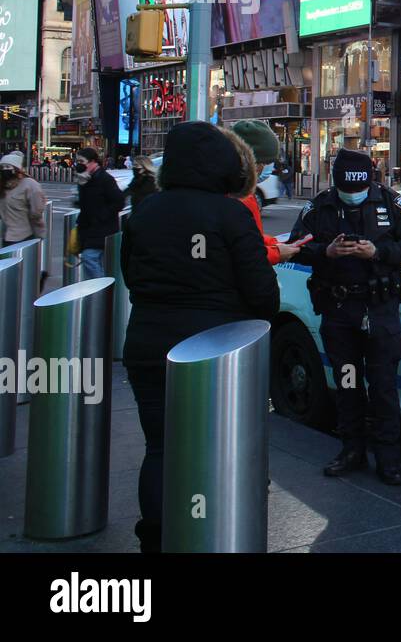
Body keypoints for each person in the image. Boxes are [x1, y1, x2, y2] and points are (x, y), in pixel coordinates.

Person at [122, 122, 281, 553]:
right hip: (216, 353)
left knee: (161, 449)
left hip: (149, 344)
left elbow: (132, 277)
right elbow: (263, 294)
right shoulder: (231, 214)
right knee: (219, 453)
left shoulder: (145, 211)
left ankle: (156, 539)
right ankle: (213, 534)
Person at [289, 149, 401, 484]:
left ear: (369, 180)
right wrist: (326, 252)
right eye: (346, 189)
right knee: (347, 382)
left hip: (379, 309)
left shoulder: (392, 205)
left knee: (382, 386)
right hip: (339, 310)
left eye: (358, 189)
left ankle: (388, 457)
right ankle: (351, 449)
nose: (352, 195)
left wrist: (378, 252)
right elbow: (295, 246)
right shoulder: (320, 207)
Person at [228, 121, 302, 265]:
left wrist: (274, 242)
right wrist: (277, 253)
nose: (269, 167)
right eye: (267, 162)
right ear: (254, 162)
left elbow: (249, 238)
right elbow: (243, 252)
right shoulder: (239, 197)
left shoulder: (239, 191)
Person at [73, 147, 125, 278]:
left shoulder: (105, 179)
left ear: (93, 162)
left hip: (102, 229)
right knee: (91, 261)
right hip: (88, 229)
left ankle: (102, 289)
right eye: (77, 161)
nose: (79, 164)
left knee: (89, 258)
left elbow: (119, 202)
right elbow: (84, 204)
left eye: (82, 161)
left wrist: (102, 216)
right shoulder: (85, 179)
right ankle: (95, 292)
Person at [0, 152, 47, 247]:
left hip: (25, 236)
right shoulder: (3, 186)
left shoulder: (30, 184)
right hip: (7, 236)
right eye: (3, 167)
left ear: (17, 169)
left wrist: (40, 233)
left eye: (8, 167)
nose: (5, 170)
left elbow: (36, 212)